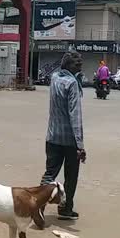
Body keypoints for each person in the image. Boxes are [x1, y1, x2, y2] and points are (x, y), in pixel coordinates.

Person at [42, 51, 86, 221]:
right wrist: (80, 145)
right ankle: (66, 209)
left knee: (49, 174)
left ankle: (38, 206)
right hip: (69, 140)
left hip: (52, 136)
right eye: (77, 65)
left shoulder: (54, 78)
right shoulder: (72, 83)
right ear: (68, 65)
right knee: (71, 176)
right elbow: (75, 115)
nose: (80, 67)